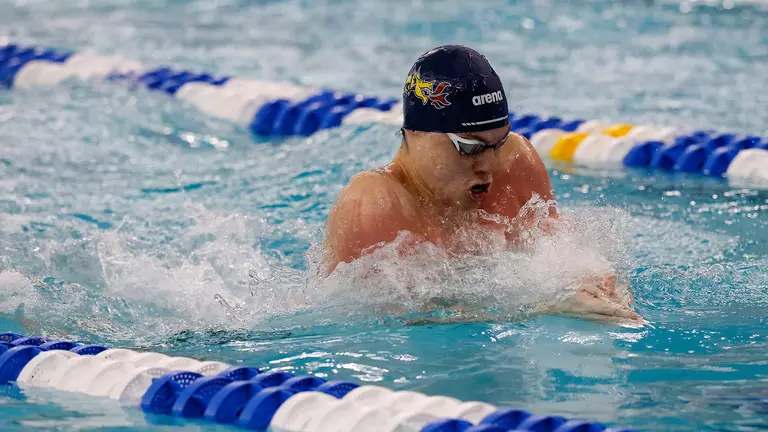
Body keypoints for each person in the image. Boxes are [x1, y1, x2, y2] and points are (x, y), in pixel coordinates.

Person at [322, 45, 642, 323]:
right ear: (415, 133)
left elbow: (553, 251)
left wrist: (595, 282)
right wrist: (550, 304)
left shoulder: (515, 161)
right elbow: (408, 318)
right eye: (469, 148)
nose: (489, 165)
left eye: (497, 143)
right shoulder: (375, 202)